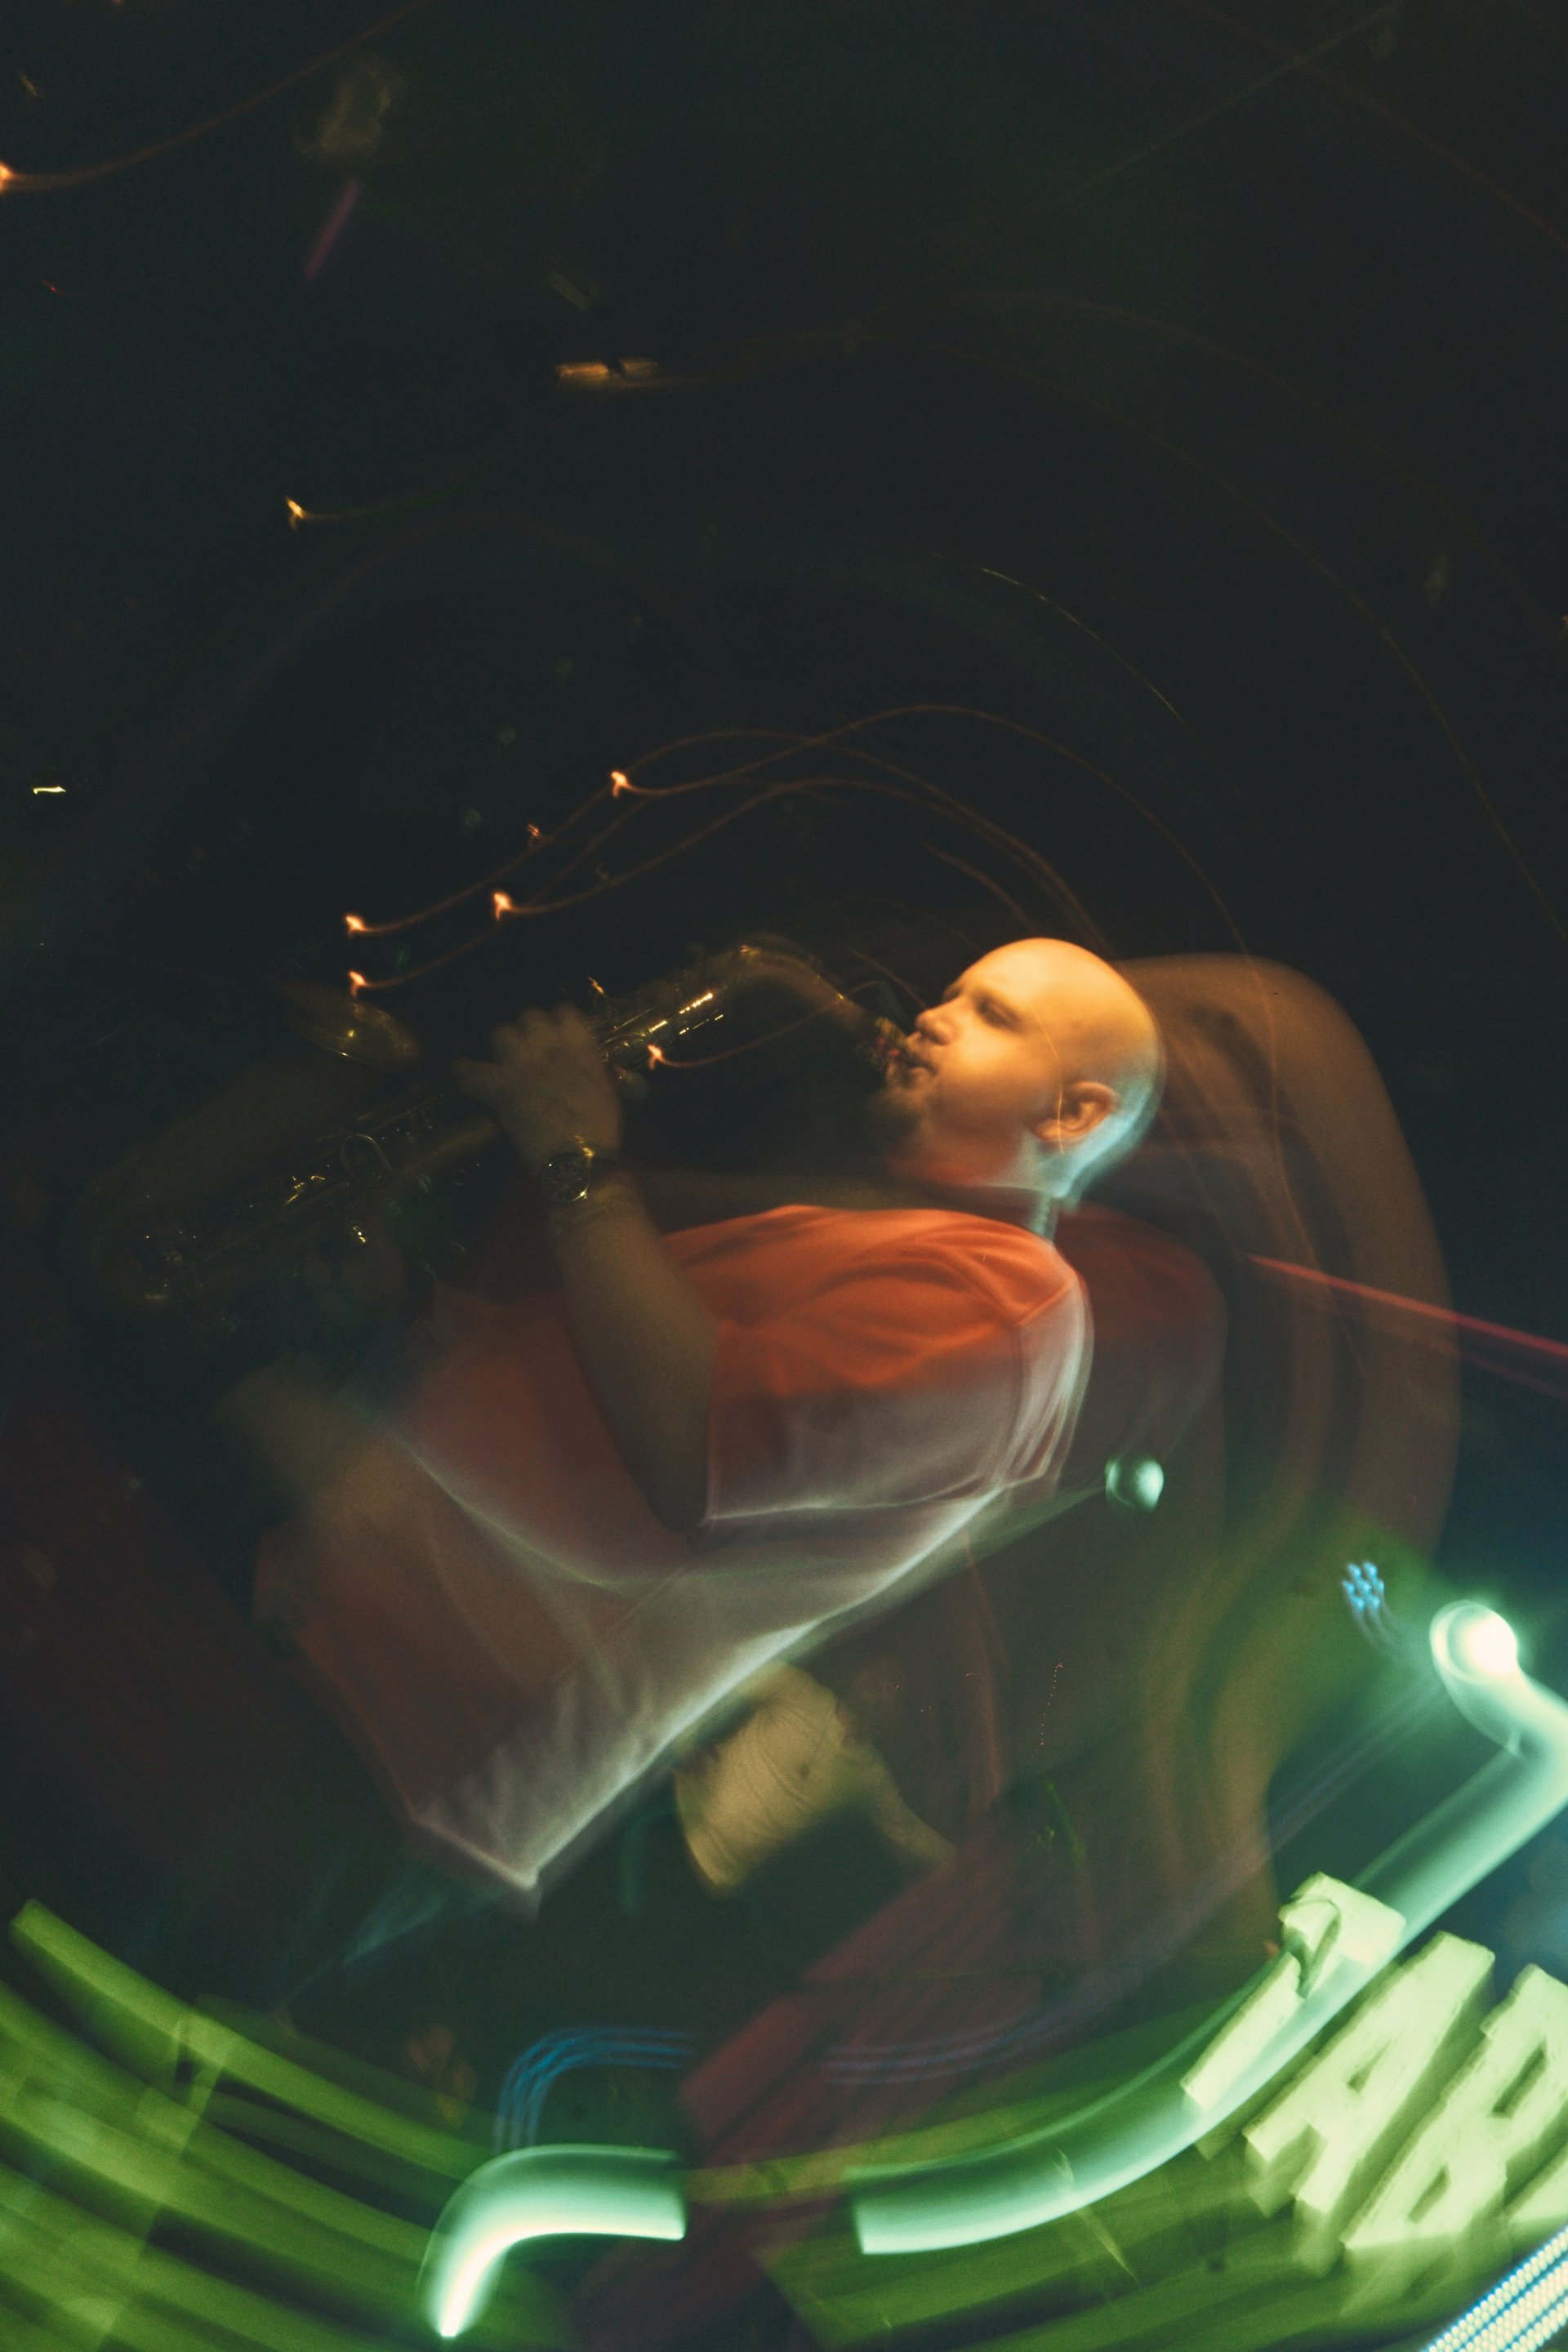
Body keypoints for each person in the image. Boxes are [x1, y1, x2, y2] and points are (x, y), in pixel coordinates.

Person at [248, 938, 1165, 1905]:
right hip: (380, 1662)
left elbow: (693, 1447)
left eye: (993, 1014)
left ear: (1073, 1115)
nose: (935, 1016)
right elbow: (586, 1398)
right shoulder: (931, 1249)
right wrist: (409, 1313)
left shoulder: (1009, 1305)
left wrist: (575, 1156)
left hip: (416, 1730)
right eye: (951, 993)